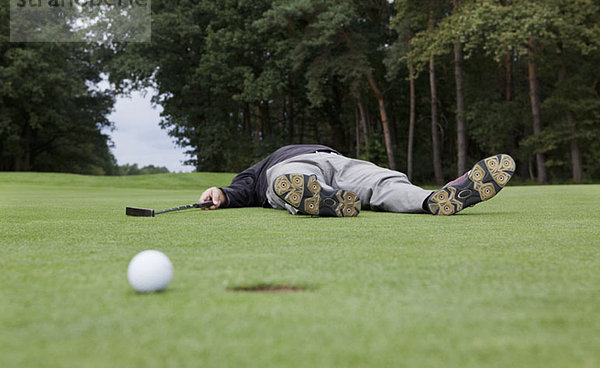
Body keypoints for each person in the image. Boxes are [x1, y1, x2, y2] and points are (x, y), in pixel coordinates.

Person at [198, 144, 515, 217]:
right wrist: (223, 194)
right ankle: (322, 198)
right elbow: (244, 186)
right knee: (287, 179)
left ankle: (432, 199)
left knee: (384, 180)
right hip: (295, 167)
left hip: (339, 161)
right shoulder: (269, 163)